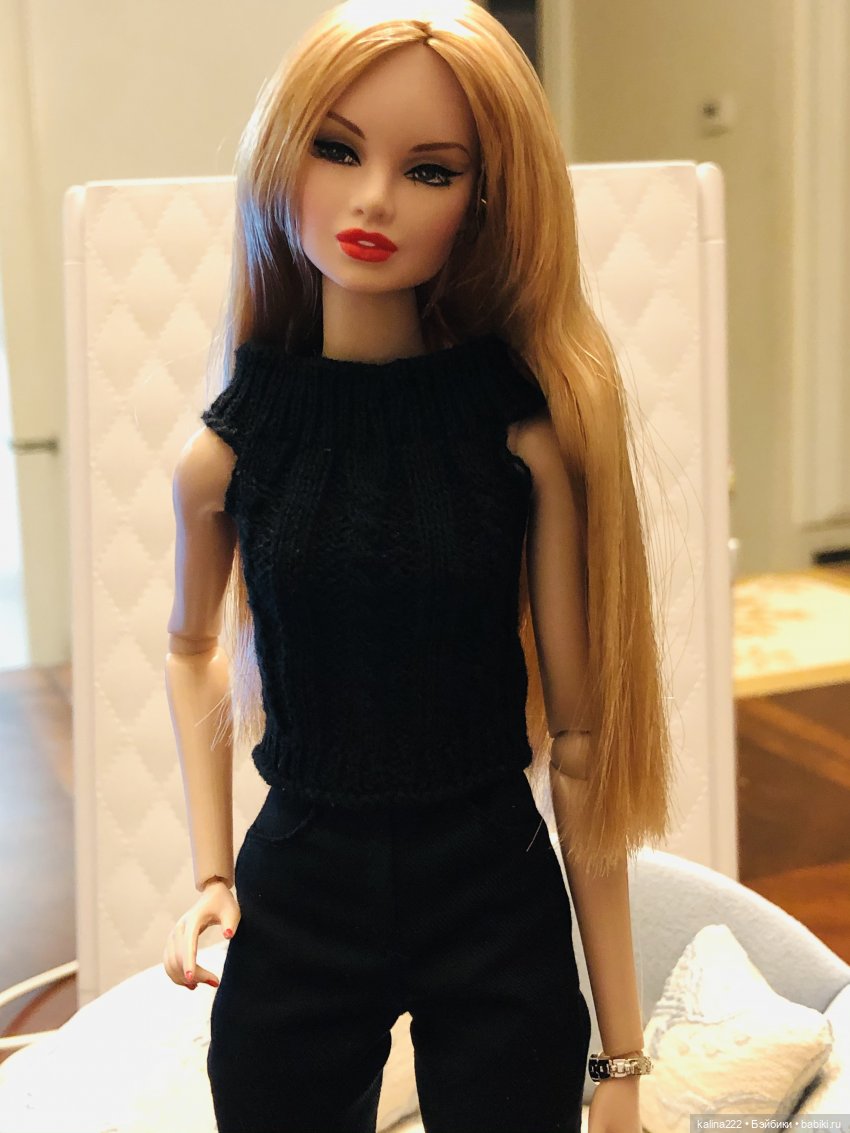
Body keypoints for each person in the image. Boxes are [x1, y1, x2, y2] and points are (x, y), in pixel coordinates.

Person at [162, 3, 674, 1131]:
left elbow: (582, 745)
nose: (374, 200)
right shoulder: (227, 455)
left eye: (430, 170)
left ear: (485, 204)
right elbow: (191, 647)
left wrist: (623, 1060)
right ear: (280, 157)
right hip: (301, 882)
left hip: (489, 882)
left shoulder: (517, 443)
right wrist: (211, 875)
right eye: (336, 149)